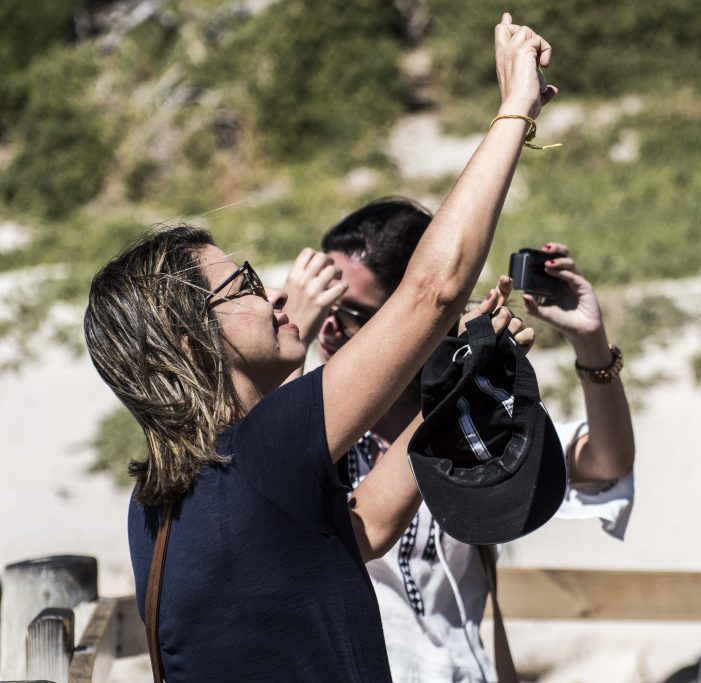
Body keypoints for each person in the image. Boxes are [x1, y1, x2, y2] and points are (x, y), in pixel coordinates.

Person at [82, 14, 556, 681]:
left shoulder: (164, 499)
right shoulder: (261, 452)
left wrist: (460, 381)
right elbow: (433, 290)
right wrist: (515, 108)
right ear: (193, 346)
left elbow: (366, 525)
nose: (274, 295)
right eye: (242, 284)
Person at [282, 197, 635, 682]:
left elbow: (606, 464)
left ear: (409, 320)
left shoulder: (473, 417)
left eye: (349, 312)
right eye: (322, 303)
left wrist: (591, 341)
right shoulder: (303, 423)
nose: (328, 326)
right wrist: (291, 340)